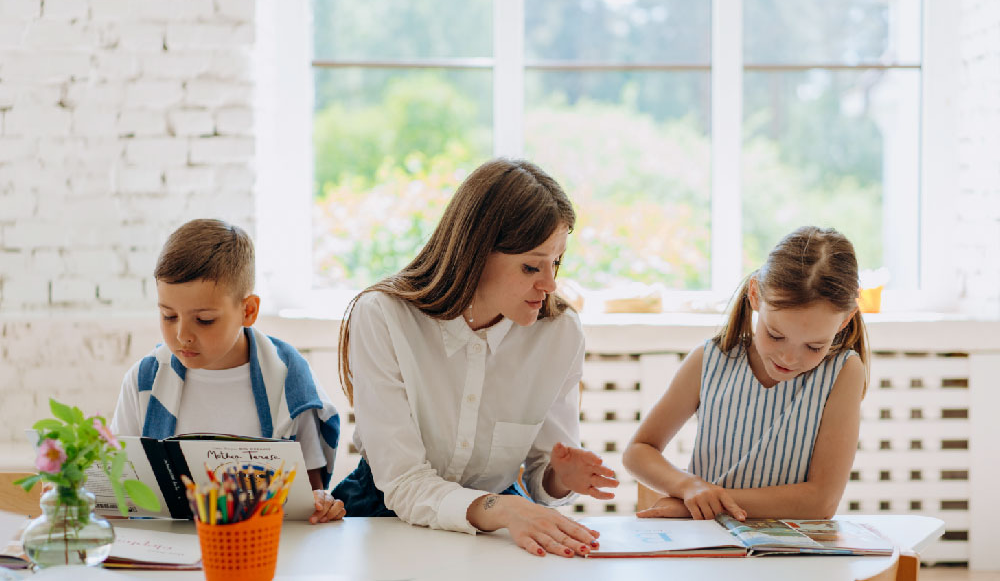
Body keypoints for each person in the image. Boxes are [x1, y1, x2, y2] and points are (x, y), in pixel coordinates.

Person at [333, 158, 619, 557]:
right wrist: (504, 508)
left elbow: (542, 475)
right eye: (531, 266)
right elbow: (403, 482)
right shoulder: (384, 316)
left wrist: (560, 477)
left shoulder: (560, 333)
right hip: (382, 514)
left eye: (556, 262)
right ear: (476, 252)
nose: (550, 283)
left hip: (502, 520)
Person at [623, 226, 868, 521]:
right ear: (755, 295)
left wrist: (703, 504)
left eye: (814, 346)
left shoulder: (843, 372)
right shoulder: (710, 359)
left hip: (793, 557)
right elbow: (638, 450)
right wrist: (689, 487)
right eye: (775, 335)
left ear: (844, 322)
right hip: (710, 543)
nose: (789, 358)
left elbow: (819, 503)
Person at [110, 218, 345, 524]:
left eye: (204, 319)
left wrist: (322, 504)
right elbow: (118, 483)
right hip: (169, 554)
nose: (182, 335)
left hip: (261, 552)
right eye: (168, 316)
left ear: (248, 311)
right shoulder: (145, 381)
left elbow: (308, 497)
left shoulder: (290, 379)